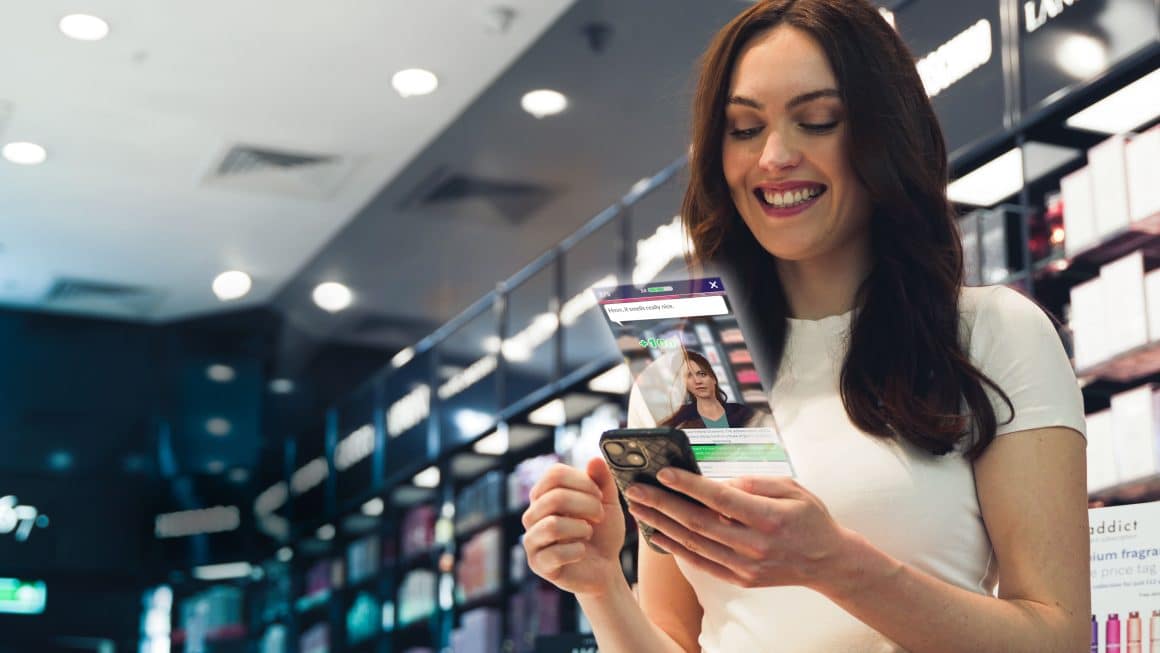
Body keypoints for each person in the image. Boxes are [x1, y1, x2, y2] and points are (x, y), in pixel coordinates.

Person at [520, 1, 1090, 651]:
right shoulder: (684, 366)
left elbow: (1058, 635)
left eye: (817, 120)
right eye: (742, 128)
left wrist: (838, 566)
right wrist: (598, 584)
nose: (775, 156)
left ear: (885, 135)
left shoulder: (991, 333)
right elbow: (677, 635)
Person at [658, 349, 757, 429]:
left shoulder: (742, 412)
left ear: (713, 378)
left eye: (702, 374)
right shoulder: (681, 419)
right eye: (688, 376)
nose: (697, 381)